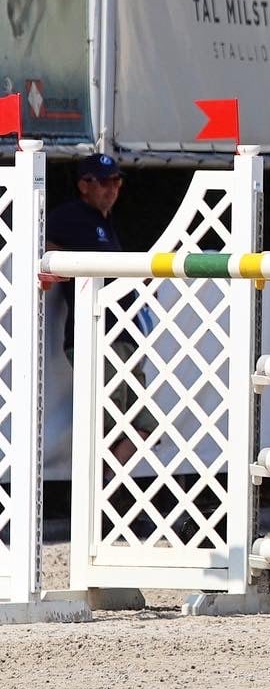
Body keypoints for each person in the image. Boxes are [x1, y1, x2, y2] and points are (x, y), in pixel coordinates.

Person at [44, 153, 156, 465]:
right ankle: (97, 500)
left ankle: (108, 493)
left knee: (144, 425)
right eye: (103, 182)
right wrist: (57, 267)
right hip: (95, 334)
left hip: (123, 337)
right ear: (83, 185)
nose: (112, 189)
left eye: (117, 181)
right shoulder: (70, 216)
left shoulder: (105, 224)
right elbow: (40, 247)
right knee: (108, 425)